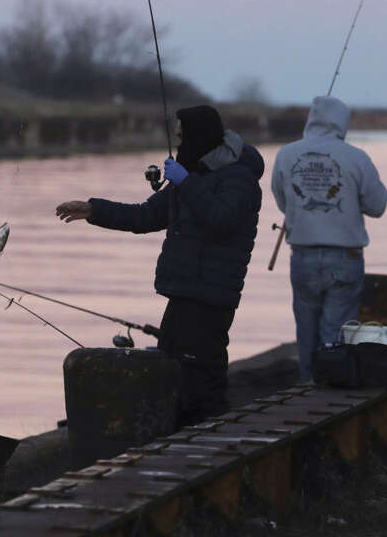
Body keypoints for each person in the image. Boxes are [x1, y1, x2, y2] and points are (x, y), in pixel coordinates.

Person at [55, 104, 263, 426]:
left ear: (199, 137)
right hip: (186, 291)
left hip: (210, 295)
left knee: (199, 378)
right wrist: (94, 210)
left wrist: (185, 182)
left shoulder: (238, 178)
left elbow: (221, 220)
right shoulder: (194, 175)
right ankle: (194, 435)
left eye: (182, 137)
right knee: (178, 370)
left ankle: (206, 442)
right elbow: (145, 216)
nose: (178, 144)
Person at [270, 96, 387, 384]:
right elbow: (378, 205)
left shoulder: (286, 155)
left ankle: (307, 387)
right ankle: (330, 391)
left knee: (306, 330)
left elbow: (281, 200)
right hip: (345, 258)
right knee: (335, 332)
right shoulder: (356, 157)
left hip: (302, 256)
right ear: (342, 123)